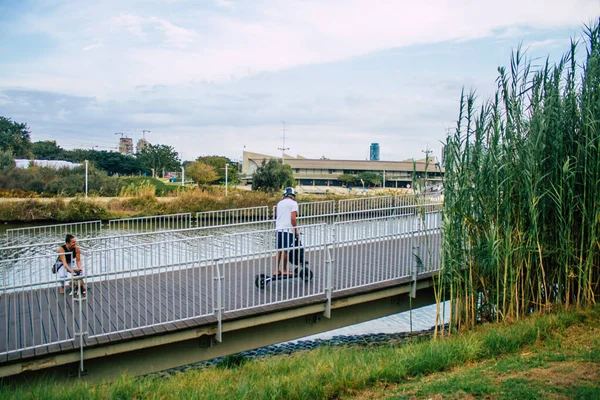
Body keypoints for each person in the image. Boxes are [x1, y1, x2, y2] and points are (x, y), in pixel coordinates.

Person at [275, 187, 299, 276]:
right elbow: (293, 219)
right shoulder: (294, 203)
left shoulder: (279, 203)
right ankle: (284, 270)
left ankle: (276, 270)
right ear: (293, 195)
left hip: (278, 229)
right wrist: (296, 230)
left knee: (279, 250)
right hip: (287, 230)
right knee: (286, 250)